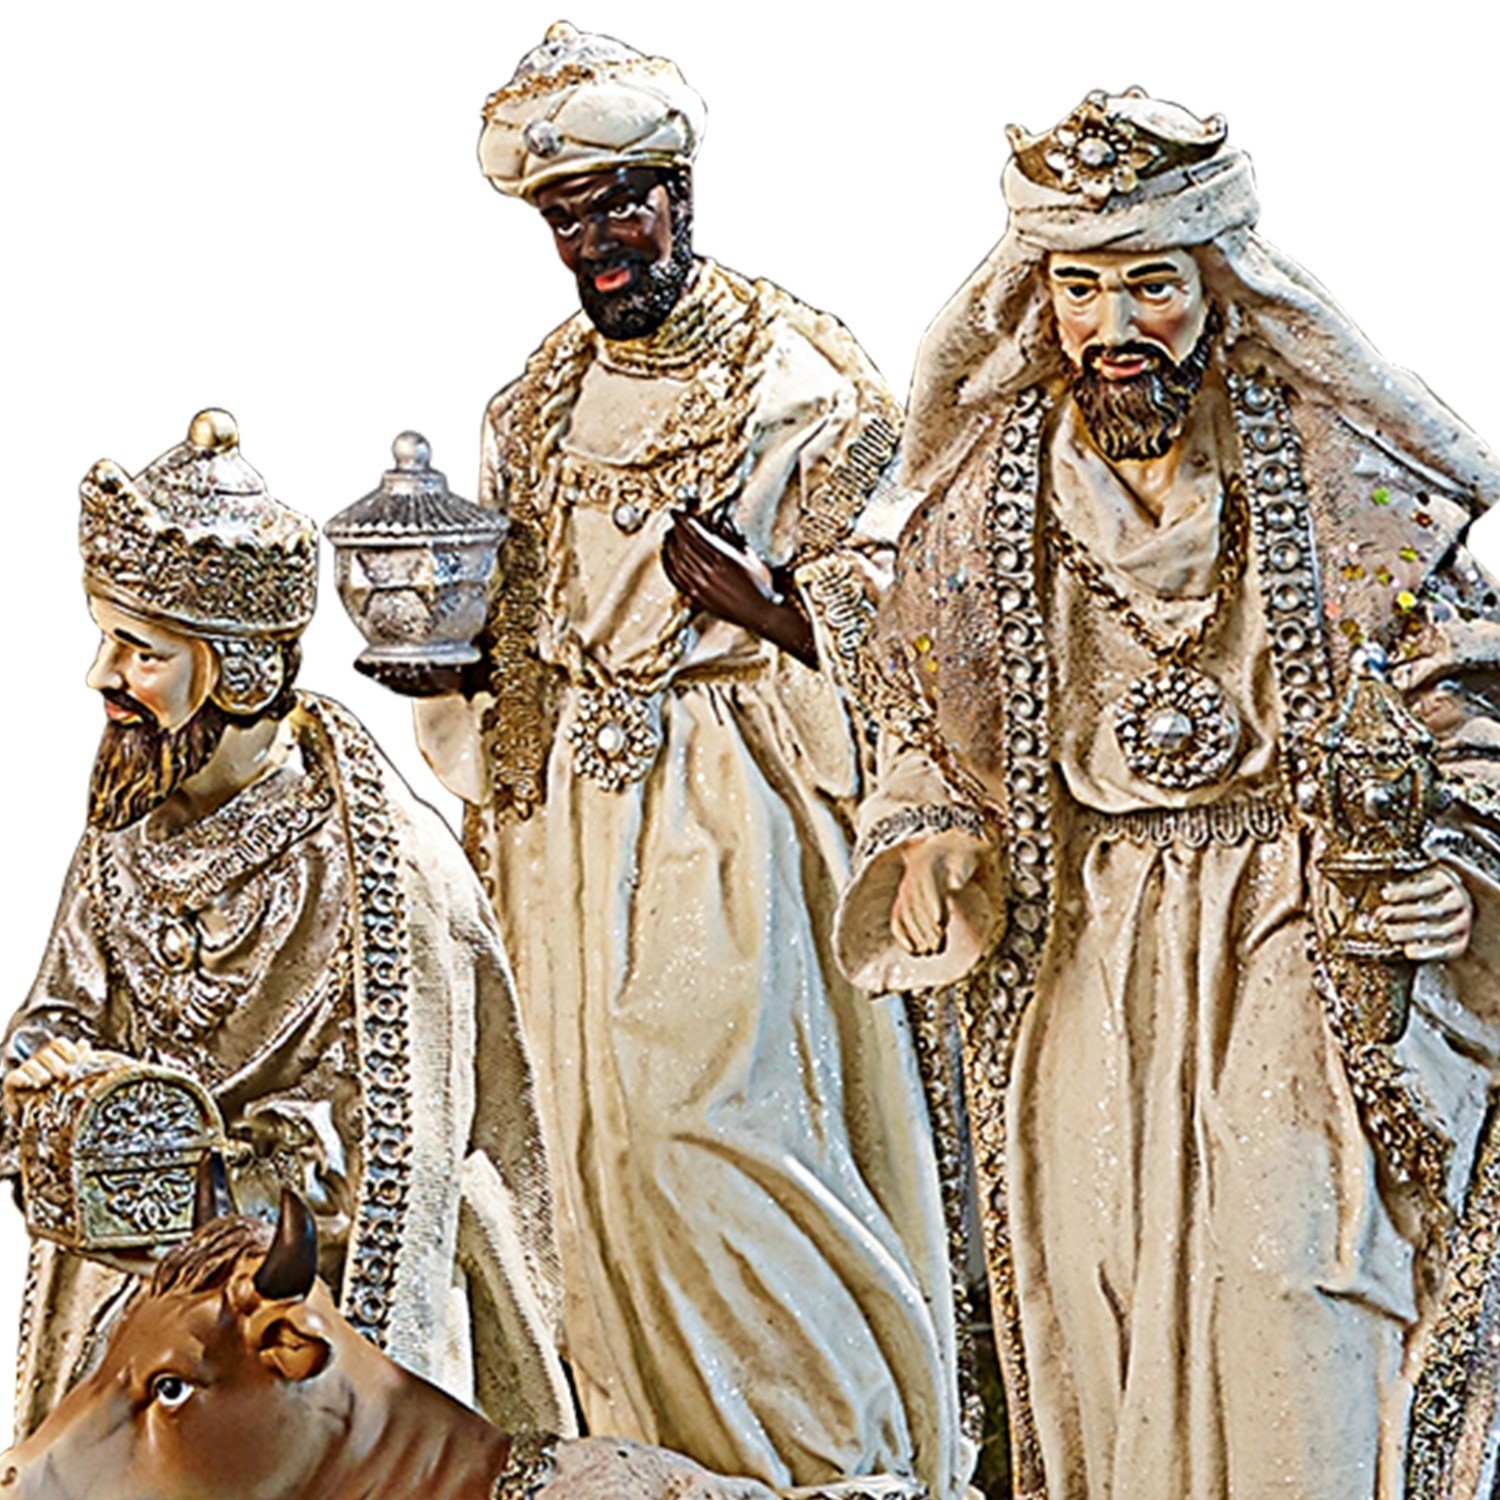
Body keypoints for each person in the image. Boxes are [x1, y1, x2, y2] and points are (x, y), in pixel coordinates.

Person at [836, 90, 1500, 1500]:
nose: (1114, 326)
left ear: (1217, 288)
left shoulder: (1334, 472)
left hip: (1291, 917)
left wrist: (1452, 858)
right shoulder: (985, 498)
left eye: (1149, 284)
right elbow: (923, 718)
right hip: (1085, 938)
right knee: (1103, 1283)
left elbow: (1457, 687)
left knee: (1294, 1274)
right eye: (1081, 288)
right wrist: (931, 836)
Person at [377, 22, 967, 1500]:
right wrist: (450, 668)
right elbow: (520, 637)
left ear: (677, 195)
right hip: (573, 832)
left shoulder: (799, 382)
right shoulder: (532, 406)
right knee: (592, 1154)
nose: (594, 247)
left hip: (738, 806)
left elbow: (913, 624)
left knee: (707, 1128)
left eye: (616, 209)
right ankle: (665, 1463)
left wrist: (766, 604)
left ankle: (839, 1458)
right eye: (565, 222)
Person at [2, 409, 571, 1442]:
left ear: (240, 671)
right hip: (142, 1287)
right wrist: (48, 1069)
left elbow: (402, 1138)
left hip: (313, 1296)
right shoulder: (129, 821)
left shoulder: (384, 862)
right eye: (108, 640)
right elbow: (60, 1009)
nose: (101, 678)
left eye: (139, 651)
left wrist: (212, 1177)